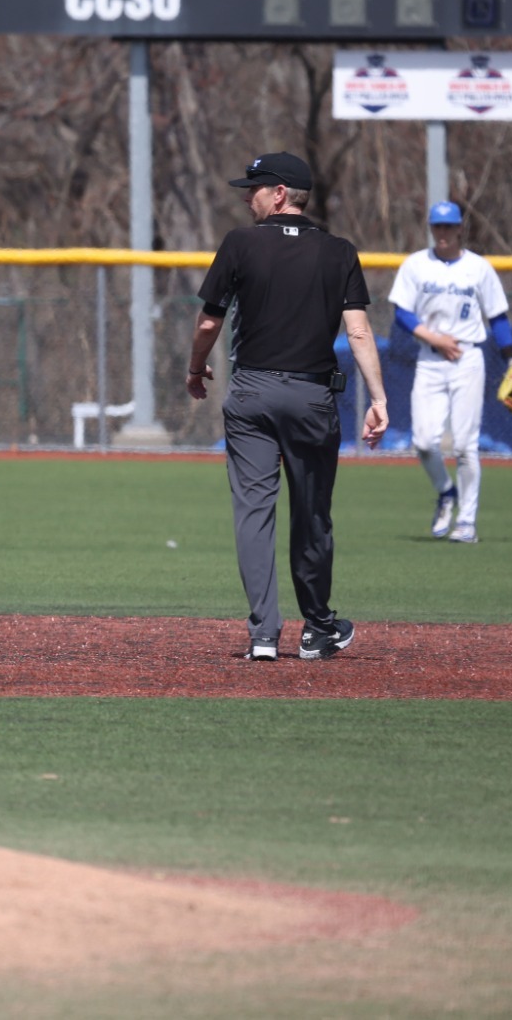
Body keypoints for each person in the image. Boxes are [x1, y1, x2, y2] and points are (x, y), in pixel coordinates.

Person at [184, 152, 389, 662]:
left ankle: (262, 635)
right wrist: (378, 397)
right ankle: (318, 628)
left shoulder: (240, 244)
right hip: (311, 397)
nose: (246, 195)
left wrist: (195, 368)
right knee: (312, 514)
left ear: (280, 194)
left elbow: (209, 322)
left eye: (254, 187)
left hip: (252, 393)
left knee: (254, 514)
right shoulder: (339, 252)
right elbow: (358, 329)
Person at [388, 201, 512, 544]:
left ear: (460, 228)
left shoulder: (478, 268)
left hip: (467, 358)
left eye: (448, 226)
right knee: (423, 441)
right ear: (431, 228)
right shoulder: (417, 265)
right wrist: (433, 337)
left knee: (464, 445)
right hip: (430, 358)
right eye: (437, 226)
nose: (443, 233)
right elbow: (401, 312)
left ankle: (467, 522)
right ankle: (446, 492)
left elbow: (498, 318)